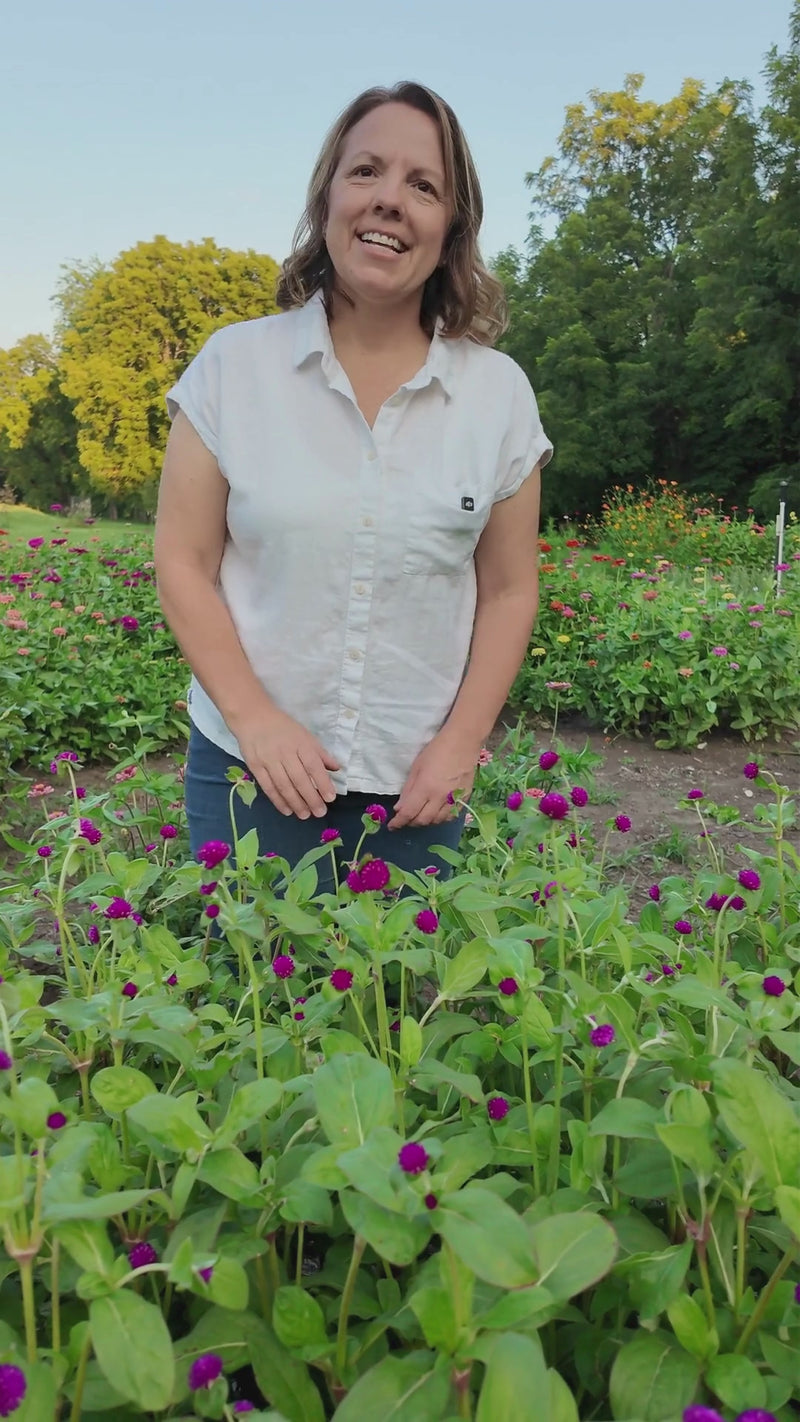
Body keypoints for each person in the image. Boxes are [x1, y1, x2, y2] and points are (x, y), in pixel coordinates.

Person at [154, 80, 553, 893]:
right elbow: (183, 561)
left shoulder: (499, 394)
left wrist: (460, 744)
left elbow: (510, 590)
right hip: (249, 773)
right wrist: (256, 721)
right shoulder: (234, 367)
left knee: (399, 1012)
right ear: (328, 196)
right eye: (366, 170)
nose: (390, 201)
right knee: (248, 1006)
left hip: (418, 790)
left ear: (452, 228)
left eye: (424, 185)